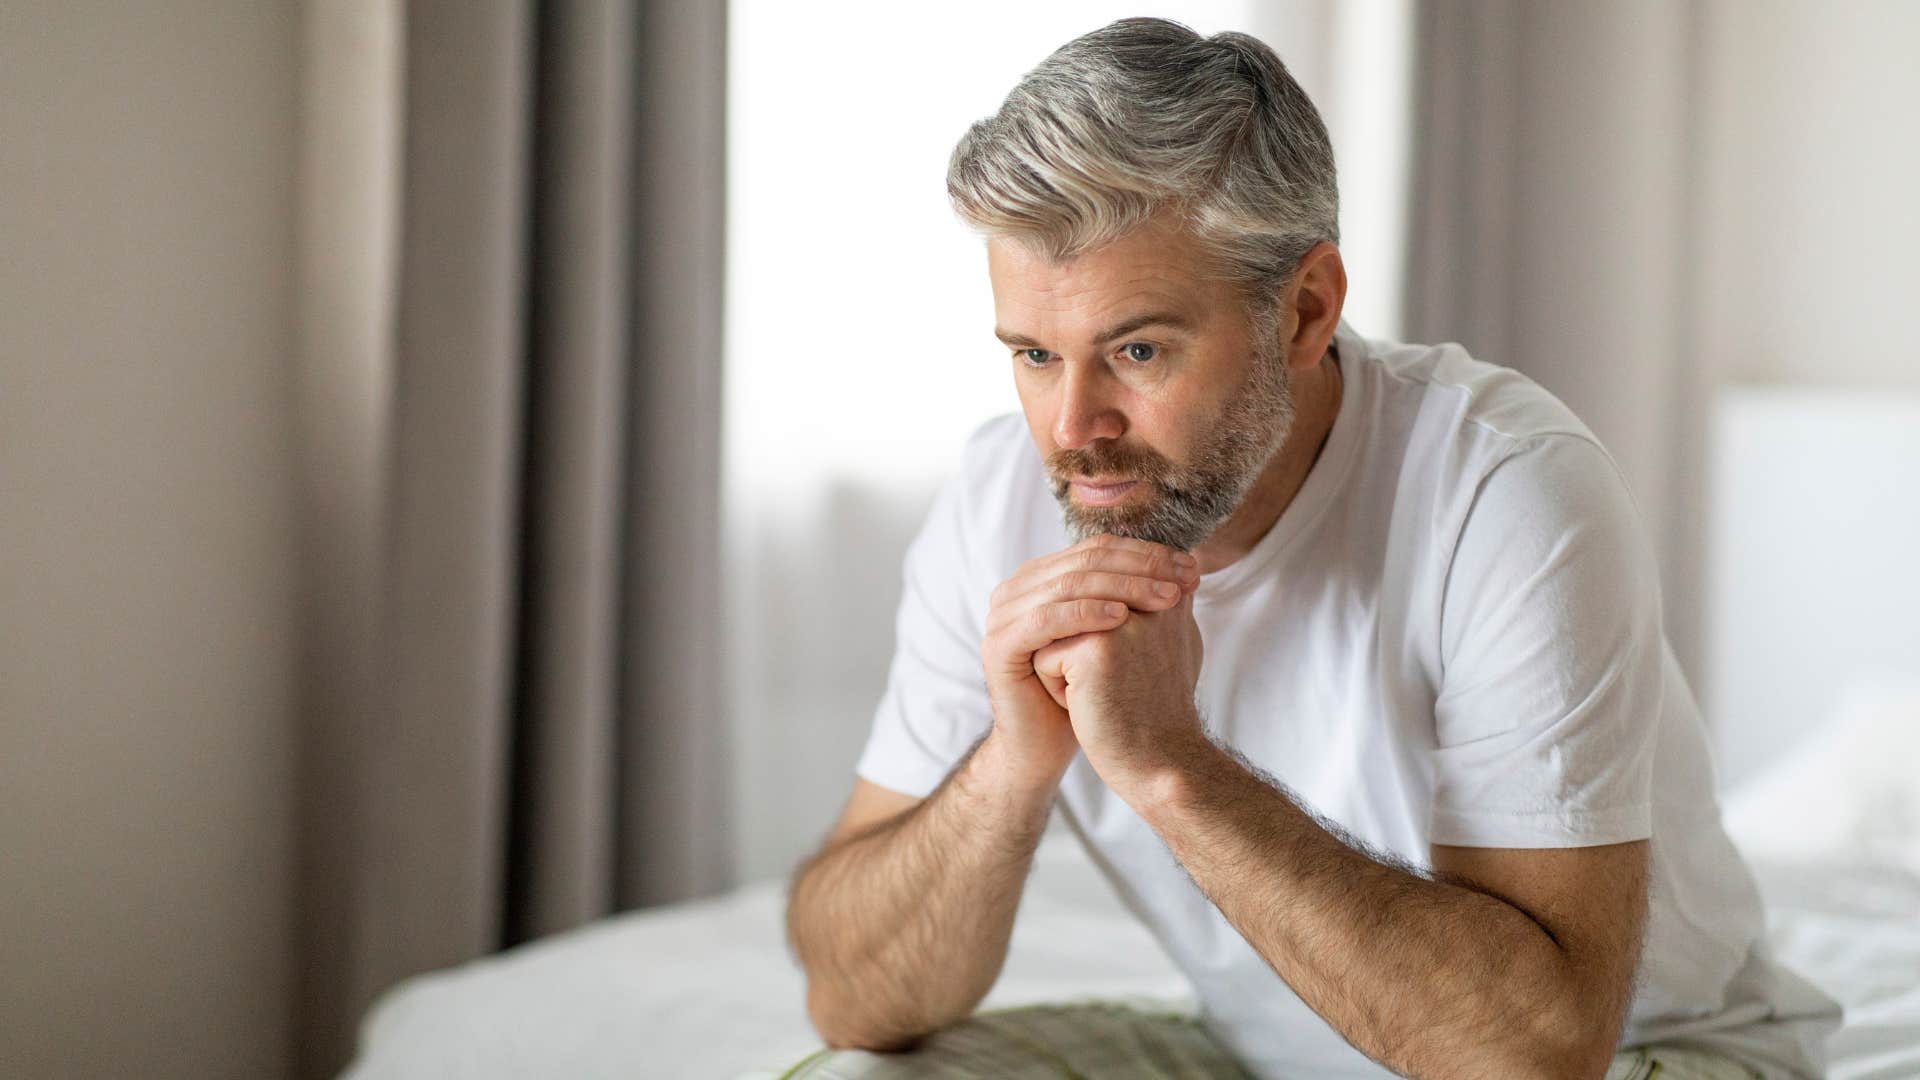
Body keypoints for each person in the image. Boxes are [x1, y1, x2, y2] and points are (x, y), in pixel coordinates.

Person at [780, 16, 1839, 1080]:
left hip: (1644, 1056)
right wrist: (1012, 765)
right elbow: (853, 996)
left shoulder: (1504, 492)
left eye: (1137, 349)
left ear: (1306, 310)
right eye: (1035, 355)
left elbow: (1536, 1051)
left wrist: (1170, 766)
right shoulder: (994, 500)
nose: (1071, 427)